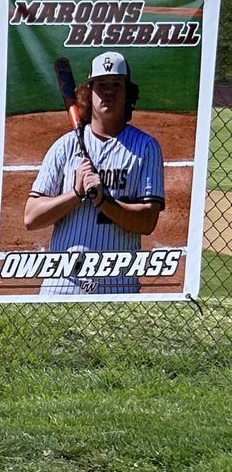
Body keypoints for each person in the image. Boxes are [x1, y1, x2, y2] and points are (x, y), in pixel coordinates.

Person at [24, 51, 164, 294]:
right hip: (61, 287)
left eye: (116, 85)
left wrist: (102, 200)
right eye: (100, 85)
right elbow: (31, 218)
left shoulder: (146, 148)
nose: (108, 91)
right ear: (89, 92)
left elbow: (147, 221)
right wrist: (76, 193)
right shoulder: (65, 146)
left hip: (117, 288)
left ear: (127, 93)